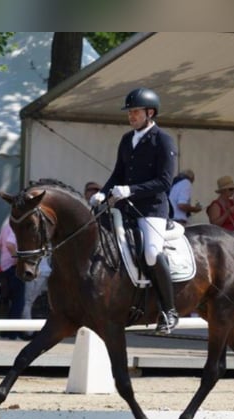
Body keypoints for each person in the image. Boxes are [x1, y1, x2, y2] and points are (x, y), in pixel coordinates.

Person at [94, 87, 179, 334]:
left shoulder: (163, 140)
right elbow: (118, 173)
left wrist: (131, 190)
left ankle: (169, 310)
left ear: (150, 112)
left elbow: (165, 182)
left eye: (135, 112)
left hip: (152, 209)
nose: (131, 116)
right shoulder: (126, 139)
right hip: (124, 207)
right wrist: (103, 192)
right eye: (130, 112)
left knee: (152, 253)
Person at [0, 218, 26, 340]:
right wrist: (18, 259)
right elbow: (10, 244)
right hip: (14, 267)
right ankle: (12, 334)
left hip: (4, 266)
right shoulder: (16, 225)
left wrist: (5, 257)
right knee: (18, 302)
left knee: (11, 301)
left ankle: (5, 333)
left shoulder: (5, 224)